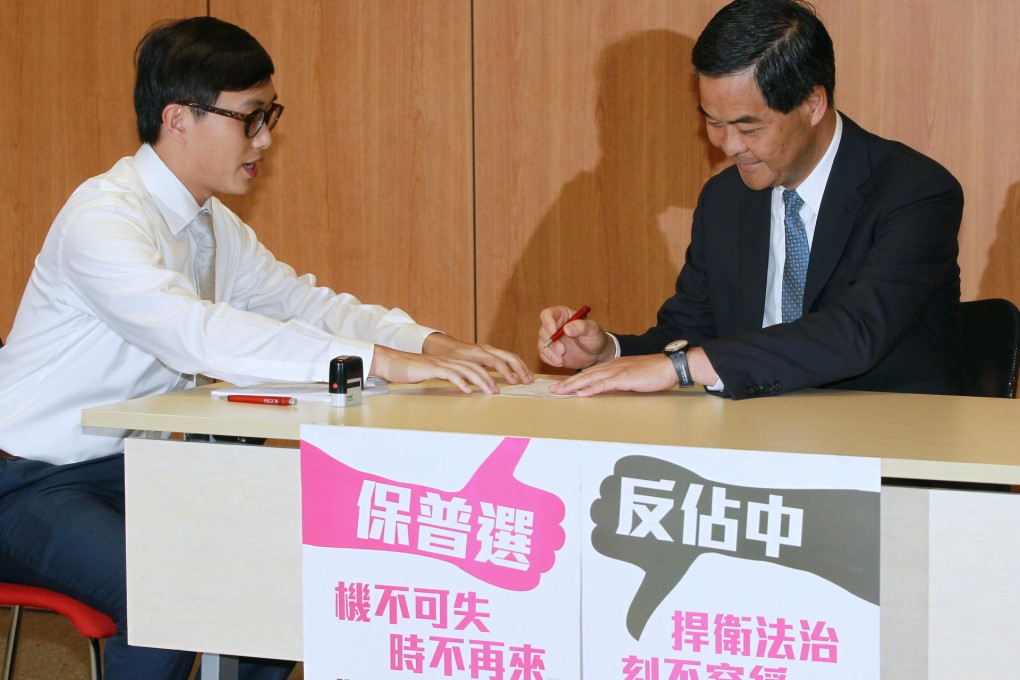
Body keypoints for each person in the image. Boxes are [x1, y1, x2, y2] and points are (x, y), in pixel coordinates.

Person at [0, 16, 531, 680]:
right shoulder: (103, 220)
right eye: (250, 118)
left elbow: (303, 303)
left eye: (268, 115)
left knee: (282, 571)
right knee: (176, 594)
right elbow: (196, 331)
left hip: (137, 472)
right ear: (179, 118)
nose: (267, 138)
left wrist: (431, 342)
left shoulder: (209, 221)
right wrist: (378, 364)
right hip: (29, 482)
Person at [539, 0, 963, 400]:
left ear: (813, 103)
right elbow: (689, 337)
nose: (728, 146)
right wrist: (607, 352)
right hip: (749, 439)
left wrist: (682, 368)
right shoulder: (725, 199)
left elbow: (856, 332)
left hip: (888, 445)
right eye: (714, 122)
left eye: (749, 127)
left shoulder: (914, 191)